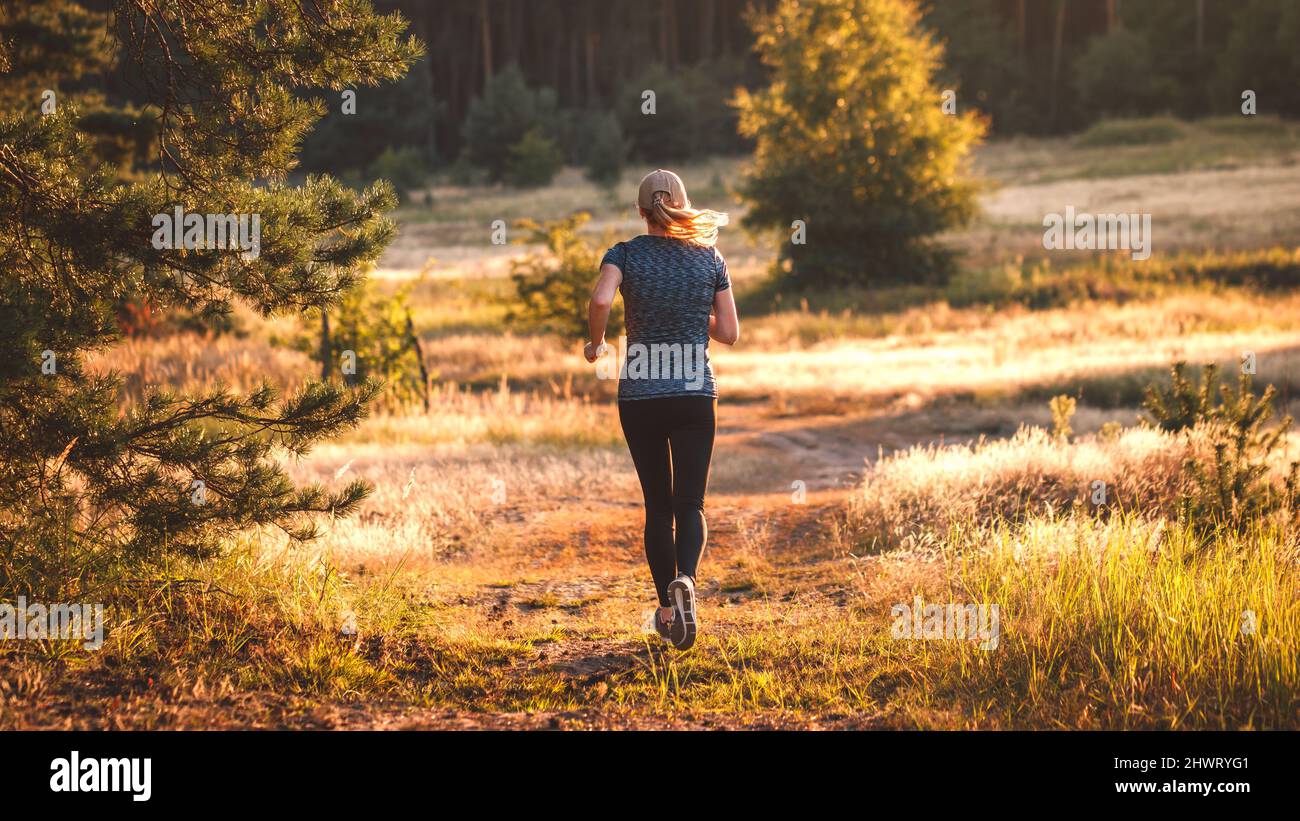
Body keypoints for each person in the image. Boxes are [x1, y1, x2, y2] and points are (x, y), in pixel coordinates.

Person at [584, 169, 739, 650]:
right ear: (682, 204)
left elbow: (601, 297)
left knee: (658, 506)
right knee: (690, 504)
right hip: (694, 391)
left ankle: (668, 611)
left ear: (640, 211)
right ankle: (687, 580)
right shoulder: (708, 257)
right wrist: (693, 313)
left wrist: (597, 343)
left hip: (641, 394)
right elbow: (730, 332)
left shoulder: (624, 254)